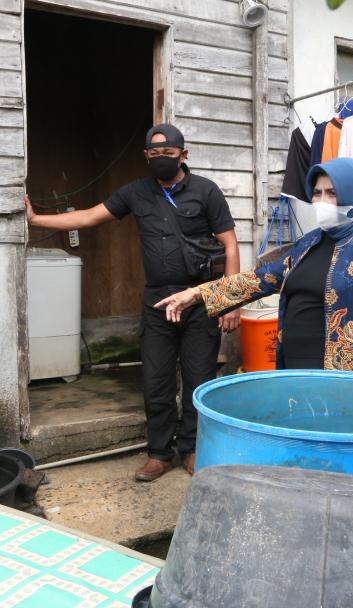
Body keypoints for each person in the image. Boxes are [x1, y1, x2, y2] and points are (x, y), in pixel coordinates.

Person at [26, 124, 241, 481]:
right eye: (154, 155)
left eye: (168, 154)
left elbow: (230, 244)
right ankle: (159, 453)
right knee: (155, 380)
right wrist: (36, 218)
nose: (161, 160)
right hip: (158, 300)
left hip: (201, 299)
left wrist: (230, 302)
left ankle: (190, 449)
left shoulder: (206, 191)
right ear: (146, 156)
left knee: (198, 379)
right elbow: (88, 216)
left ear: (183, 155)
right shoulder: (136, 193)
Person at [158, 157, 353, 375]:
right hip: (293, 364)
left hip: (342, 376)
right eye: (317, 193)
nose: (321, 201)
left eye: (332, 193)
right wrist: (196, 294)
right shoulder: (311, 242)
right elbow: (261, 279)